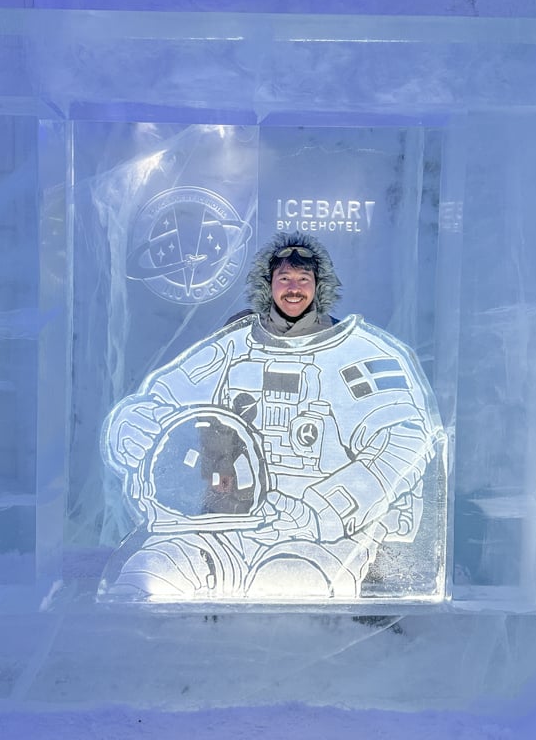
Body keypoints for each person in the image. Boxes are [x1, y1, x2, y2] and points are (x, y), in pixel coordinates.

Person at [100, 231, 445, 601]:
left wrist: (326, 507)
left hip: (321, 537)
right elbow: (157, 402)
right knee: (148, 578)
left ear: (319, 286)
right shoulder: (232, 348)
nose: (293, 288)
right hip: (218, 524)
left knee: (293, 586)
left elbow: (404, 439)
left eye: (303, 280)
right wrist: (140, 434)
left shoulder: (359, 356)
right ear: (268, 286)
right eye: (284, 279)